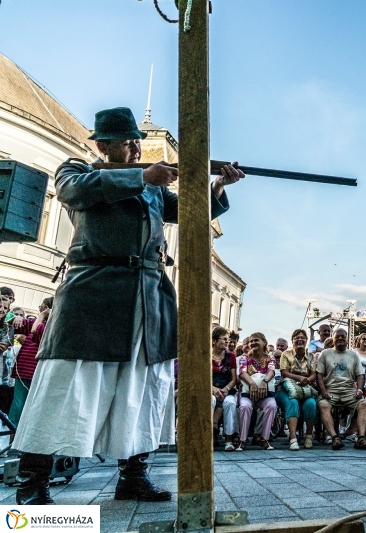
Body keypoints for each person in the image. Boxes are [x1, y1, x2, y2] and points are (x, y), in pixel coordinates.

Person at [12, 107, 243, 505]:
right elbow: (73, 190)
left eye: (138, 141)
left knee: (141, 389)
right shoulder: (78, 169)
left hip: (146, 297)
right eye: (128, 141)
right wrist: (142, 177)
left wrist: (218, 185)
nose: (137, 148)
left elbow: (190, 211)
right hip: (94, 295)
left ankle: (132, 477)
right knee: (65, 387)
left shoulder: (153, 189)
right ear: (104, 145)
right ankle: (33, 483)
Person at [316, 328, 366, 450]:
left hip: (349, 391)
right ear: (333, 339)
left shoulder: (353, 355)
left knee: (363, 403)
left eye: (343, 336)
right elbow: (319, 375)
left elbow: (360, 375)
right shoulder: (325, 353)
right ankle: (335, 438)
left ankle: (361, 438)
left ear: (347, 340)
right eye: (337, 337)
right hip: (331, 391)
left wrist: (359, 390)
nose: (340, 338)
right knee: (323, 405)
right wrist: (324, 391)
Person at [8, 298, 52, 427]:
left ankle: (13, 432)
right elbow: (11, 322)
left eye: (42, 307)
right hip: (24, 371)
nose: (39, 309)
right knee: (18, 403)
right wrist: (15, 318)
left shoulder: (49, 327)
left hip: (34, 371)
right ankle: (11, 432)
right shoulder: (36, 322)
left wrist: (42, 316)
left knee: (23, 405)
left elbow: (35, 330)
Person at [275, 329, 317, 451]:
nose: (300, 340)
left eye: (302, 338)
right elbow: (284, 372)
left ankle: (309, 436)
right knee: (292, 402)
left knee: (311, 404)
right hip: (285, 389)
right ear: (292, 341)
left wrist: (307, 380)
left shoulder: (311, 356)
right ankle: (293, 438)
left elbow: (314, 374)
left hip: (305, 388)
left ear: (306, 340)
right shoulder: (286, 354)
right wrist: (299, 378)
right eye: (296, 338)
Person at [238, 333, 278, 450]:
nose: (253, 343)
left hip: (264, 394)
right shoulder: (244, 358)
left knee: (272, 406)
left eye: (256, 340)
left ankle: (264, 439)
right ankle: (242, 440)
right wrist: (252, 384)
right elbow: (242, 373)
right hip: (248, 393)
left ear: (264, 342)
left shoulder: (270, 358)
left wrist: (264, 382)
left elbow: (271, 371)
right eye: (251, 341)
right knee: (245, 406)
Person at [211, 327, 238, 451]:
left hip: (226, 389)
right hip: (210, 388)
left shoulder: (231, 356)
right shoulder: (206, 355)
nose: (227, 342)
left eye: (228, 339)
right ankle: (209, 434)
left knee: (230, 403)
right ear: (214, 341)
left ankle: (228, 439)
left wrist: (226, 389)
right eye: (224, 339)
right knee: (211, 400)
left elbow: (234, 379)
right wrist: (213, 389)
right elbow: (202, 377)